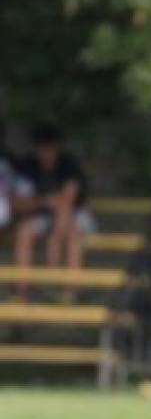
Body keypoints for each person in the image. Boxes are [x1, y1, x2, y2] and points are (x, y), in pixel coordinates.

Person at [13, 123, 93, 294]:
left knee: (73, 233)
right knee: (24, 232)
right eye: (41, 146)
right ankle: (22, 290)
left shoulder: (69, 164)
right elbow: (19, 203)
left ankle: (71, 290)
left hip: (75, 213)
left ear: (57, 146)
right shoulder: (27, 166)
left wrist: (54, 241)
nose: (45, 151)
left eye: (49, 146)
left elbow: (67, 202)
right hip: (42, 214)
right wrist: (45, 202)